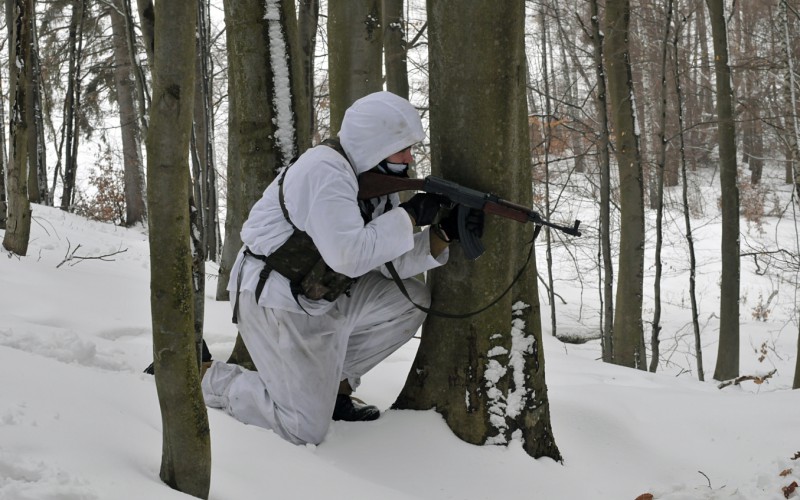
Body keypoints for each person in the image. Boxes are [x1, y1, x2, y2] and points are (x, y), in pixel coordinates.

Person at [201, 91, 483, 446]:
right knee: (304, 429)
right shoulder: (326, 171)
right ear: (376, 143)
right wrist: (411, 216)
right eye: (403, 148)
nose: (410, 158)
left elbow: (387, 262)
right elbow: (348, 255)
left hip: (323, 291)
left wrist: (442, 235)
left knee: (410, 300)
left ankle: (334, 389)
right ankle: (210, 376)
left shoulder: (374, 180)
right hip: (275, 298)